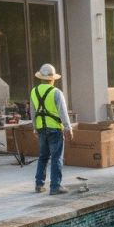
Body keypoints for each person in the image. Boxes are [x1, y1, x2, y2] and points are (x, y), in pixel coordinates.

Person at [31, 63, 73, 195]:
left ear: (41, 78)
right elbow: (63, 112)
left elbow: (32, 112)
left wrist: (34, 127)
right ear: (52, 79)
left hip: (41, 128)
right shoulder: (56, 92)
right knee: (56, 157)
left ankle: (39, 185)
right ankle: (55, 186)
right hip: (54, 129)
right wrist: (68, 128)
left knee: (43, 156)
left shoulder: (34, 91)